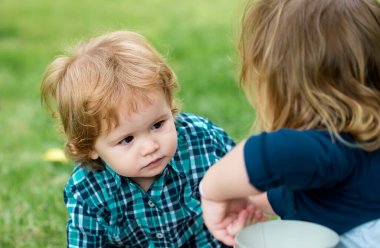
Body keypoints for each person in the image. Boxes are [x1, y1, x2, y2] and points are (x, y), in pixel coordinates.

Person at [199, 0, 380, 247]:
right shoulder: (358, 155)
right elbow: (298, 195)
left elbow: (270, 155)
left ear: (283, 89)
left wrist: (211, 191)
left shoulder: (335, 147)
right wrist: (247, 201)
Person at [40, 30, 240, 247]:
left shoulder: (203, 141)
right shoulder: (88, 191)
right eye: (127, 140)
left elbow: (246, 179)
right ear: (89, 146)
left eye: (157, 125)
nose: (150, 147)